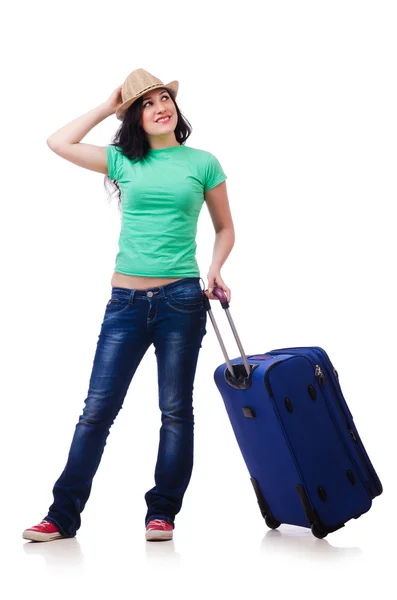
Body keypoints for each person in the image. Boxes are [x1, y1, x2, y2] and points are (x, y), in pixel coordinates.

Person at [22, 68, 235, 543]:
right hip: (125, 304)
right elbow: (58, 142)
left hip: (182, 299)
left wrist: (216, 267)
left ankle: (162, 513)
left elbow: (225, 228)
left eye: (165, 98)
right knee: (96, 411)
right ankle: (61, 517)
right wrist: (106, 106)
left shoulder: (202, 162)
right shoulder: (121, 161)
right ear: (134, 117)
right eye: (146, 103)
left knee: (176, 410)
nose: (162, 106)